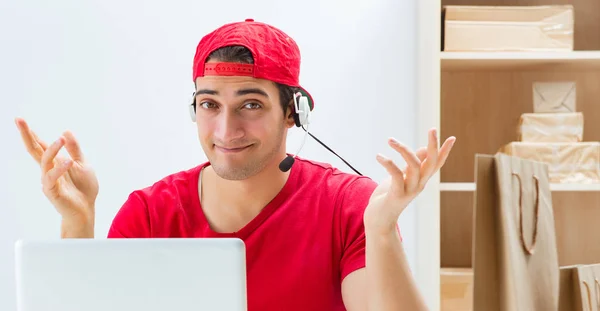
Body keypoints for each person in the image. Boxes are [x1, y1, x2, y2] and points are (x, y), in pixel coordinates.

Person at [15, 19, 455, 311]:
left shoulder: (352, 206)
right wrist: (78, 222)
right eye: (210, 104)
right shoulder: (150, 212)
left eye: (250, 103)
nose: (227, 130)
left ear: (291, 113)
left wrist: (380, 229)